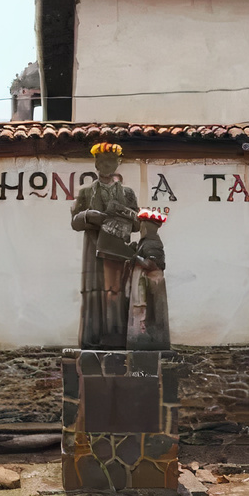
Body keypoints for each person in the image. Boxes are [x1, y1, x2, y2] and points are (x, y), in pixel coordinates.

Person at [70, 143, 140, 349]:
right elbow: (74, 222)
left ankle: (116, 338)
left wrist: (125, 217)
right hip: (94, 250)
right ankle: (92, 339)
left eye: (111, 161)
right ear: (96, 163)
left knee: (117, 292)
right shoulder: (85, 193)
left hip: (117, 251)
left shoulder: (127, 194)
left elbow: (137, 223)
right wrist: (88, 215)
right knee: (93, 291)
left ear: (118, 163)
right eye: (102, 161)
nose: (107, 165)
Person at [127, 208, 170, 351]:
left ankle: (149, 338)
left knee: (149, 315)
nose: (141, 228)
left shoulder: (153, 243)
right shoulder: (145, 242)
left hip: (150, 284)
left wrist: (135, 257)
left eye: (144, 225)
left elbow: (152, 264)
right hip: (143, 284)